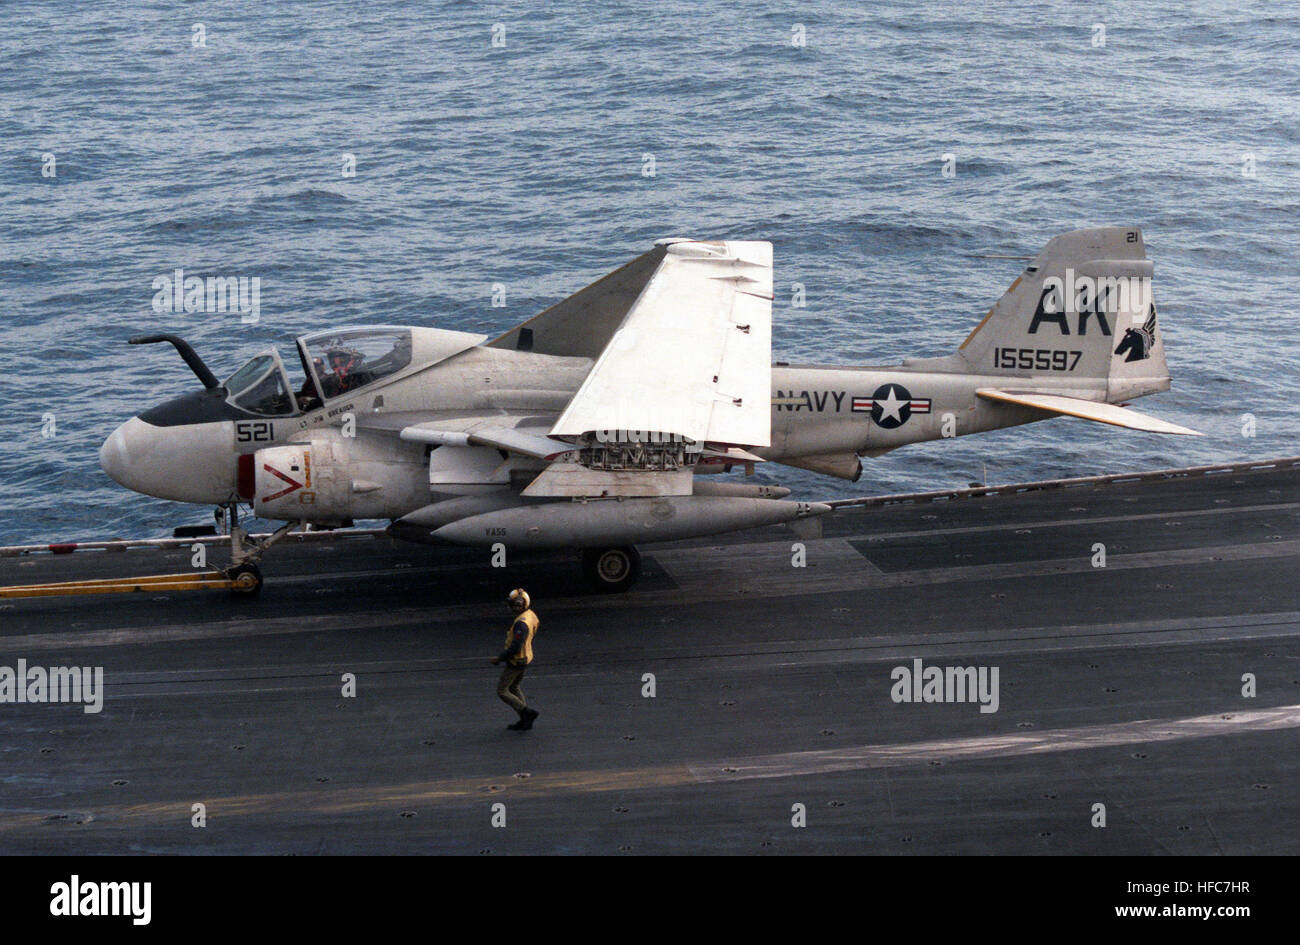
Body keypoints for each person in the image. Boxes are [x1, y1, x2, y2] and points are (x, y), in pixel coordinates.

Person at [491, 588, 540, 730]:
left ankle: (526, 713)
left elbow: (515, 647)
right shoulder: (531, 615)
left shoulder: (521, 623)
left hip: (516, 660)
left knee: (503, 691)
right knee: (514, 687)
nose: (512, 607)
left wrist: (499, 658)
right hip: (526, 657)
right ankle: (525, 719)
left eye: (513, 604)